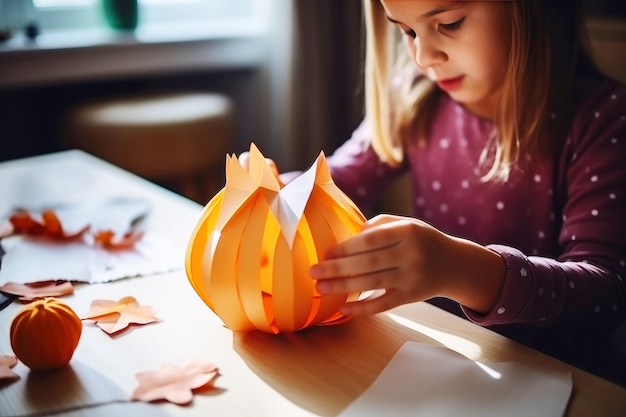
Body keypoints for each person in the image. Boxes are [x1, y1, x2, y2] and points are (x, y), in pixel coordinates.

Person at [243, 0, 626, 382]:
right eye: (407, 31)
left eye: (450, 23)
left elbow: (605, 295)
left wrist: (459, 269)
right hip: (442, 361)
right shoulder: (415, 94)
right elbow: (341, 181)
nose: (423, 57)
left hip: (559, 380)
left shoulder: (603, 121)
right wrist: (280, 190)